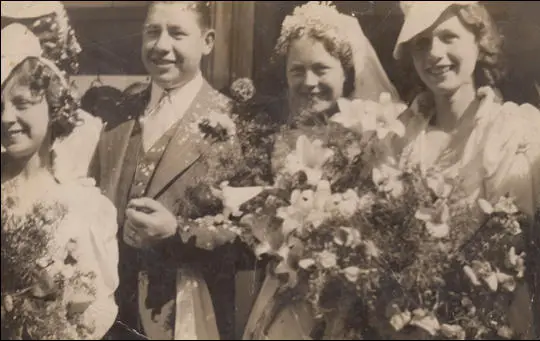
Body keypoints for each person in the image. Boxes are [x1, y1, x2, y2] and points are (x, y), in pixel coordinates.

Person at [241, 2, 401, 339]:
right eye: (297, 70)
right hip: (288, 287)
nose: (309, 81)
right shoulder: (280, 137)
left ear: (346, 72)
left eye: (321, 69)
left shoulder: (370, 138)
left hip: (351, 295)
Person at [390, 1, 540, 338]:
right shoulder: (400, 136)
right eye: (422, 42)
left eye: (449, 37)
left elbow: (513, 238)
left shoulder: (510, 130)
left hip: (488, 314)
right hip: (408, 320)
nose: (434, 53)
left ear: (479, 41)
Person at [91, 2, 247, 339]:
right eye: (152, 32)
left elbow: (249, 241)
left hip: (189, 318)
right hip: (111, 318)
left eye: (177, 33)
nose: (161, 46)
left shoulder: (235, 123)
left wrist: (177, 233)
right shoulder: (117, 117)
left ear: (207, 41)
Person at [0, 18, 119, 340]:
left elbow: (96, 308)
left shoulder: (81, 203)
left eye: (21, 103)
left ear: (52, 106)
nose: (6, 117)